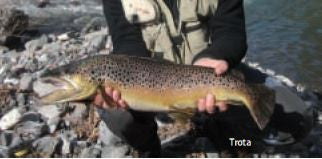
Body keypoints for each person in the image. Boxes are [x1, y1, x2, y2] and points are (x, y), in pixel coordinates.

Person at [94, 0, 314, 157]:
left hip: (213, 74)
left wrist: (213, 57)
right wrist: (130, 82)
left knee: (297, 122)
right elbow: (126, 43)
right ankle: (150, 150)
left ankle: (233, 138)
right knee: (118, 114)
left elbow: (231, 33)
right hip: (151, 84)